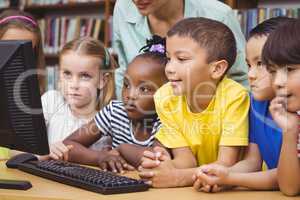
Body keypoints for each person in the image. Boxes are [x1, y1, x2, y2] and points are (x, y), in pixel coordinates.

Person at [138, 17, 249, 188]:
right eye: (168, 58)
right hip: (199, 187)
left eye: (181, 59)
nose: (169, 68)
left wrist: (177, 177)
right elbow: (186, 160)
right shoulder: (165, 98)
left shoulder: (235, 97)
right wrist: (164, 166)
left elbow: (225, 164)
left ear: (217, 69)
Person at [192, 17, 296, 193]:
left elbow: (286, 177)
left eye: (261, 64)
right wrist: (220, 175)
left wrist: (231, 177)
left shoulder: (294, 111)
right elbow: (252, 162)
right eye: (249, 64)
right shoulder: (255, 104)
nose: (251, 74)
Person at [52, 36, 169, 173]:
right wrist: (101, 157)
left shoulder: (167, 122)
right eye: (126, 85)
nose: (130, 95)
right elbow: (68, 145)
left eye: (144, 89)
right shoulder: (114, 112)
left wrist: (122, 149)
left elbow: (156, 161)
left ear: (167, 93)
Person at [113, 0, 248, 99]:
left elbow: (241, 80)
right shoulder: (123, 8)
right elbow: (124, 71)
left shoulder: (219, 15)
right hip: (143, 121)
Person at [43, 37, 116, 160]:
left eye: (85, 76)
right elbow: (16, 151)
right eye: (67, 74)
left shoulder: (107, 121)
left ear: (102, 80)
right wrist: (45, 151)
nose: (74, 85)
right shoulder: (51, 101)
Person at [0, 9, 46, 160]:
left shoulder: (32, 93)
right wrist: (15, 154)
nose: (16, 60)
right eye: (8, 48)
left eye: (25, 52)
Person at [265, 19, 300, 196]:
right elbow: (290, 188)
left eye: (290, 69)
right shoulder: (296, 119)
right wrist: (290, 132)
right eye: (272, 71)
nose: (278, 82)